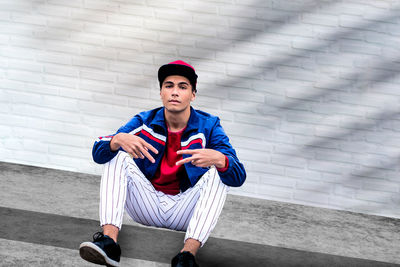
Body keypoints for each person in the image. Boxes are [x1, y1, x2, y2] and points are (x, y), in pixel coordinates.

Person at [79, 60, 246, 267]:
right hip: (146, 204)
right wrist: (116, 141)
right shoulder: (144, 121)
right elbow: (98, 153)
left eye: (182, 87)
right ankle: (109, 244)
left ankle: (186, 257)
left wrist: (221, 160)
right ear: (161, 92)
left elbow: (239, 176)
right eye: (169, 86)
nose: (174, 92)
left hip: (185, 209)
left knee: (219, 171)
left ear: (193, 94)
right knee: (118, 156)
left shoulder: (209, 125)